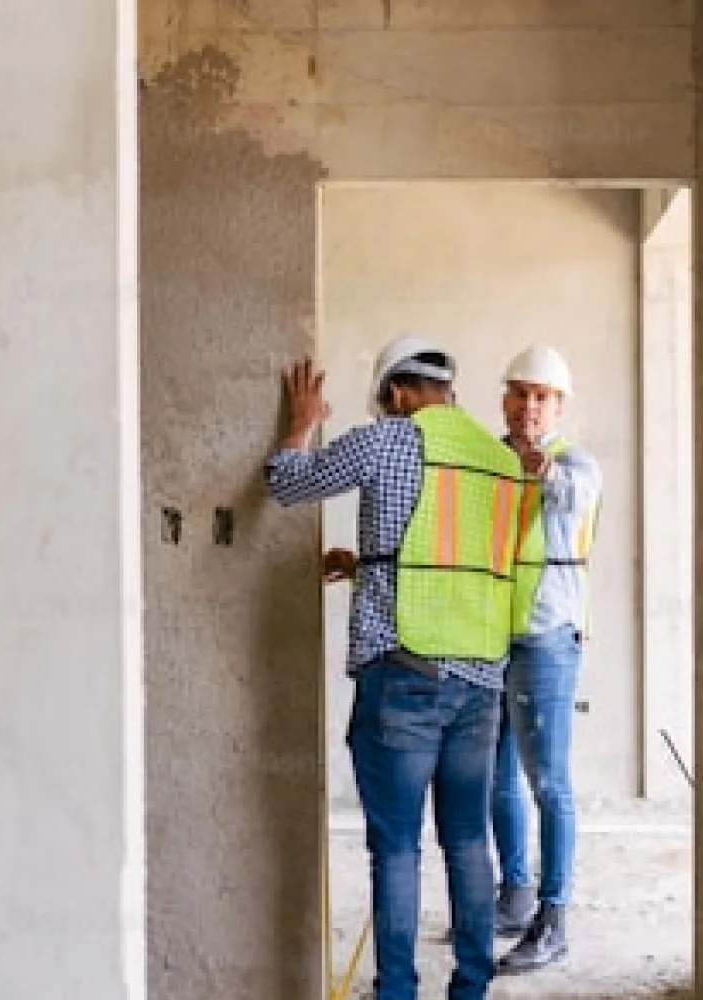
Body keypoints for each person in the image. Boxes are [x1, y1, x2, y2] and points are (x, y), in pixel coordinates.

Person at [267, 337, 533, 1000]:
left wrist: (300, 424)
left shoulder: (386, 440)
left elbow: (287, 483)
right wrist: (365, 568)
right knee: (469, 843)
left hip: (405, 675)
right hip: (479, 680)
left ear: (396, 393)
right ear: (447, 390)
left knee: (397, 849)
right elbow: (462, 565)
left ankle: (397, 994)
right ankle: (471, 987)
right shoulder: (499, 461)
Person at [490, 344, 602, 974]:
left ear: (559, 406)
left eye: (543, 397)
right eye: (521, 393)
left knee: (549, 783)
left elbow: (565, 500)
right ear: (505, 398)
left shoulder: (576, 466)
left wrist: (535, 463)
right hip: (492, 638)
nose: (530, 407)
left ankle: (553, 918)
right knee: (495, 777)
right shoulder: (495, 464)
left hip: (547, 640)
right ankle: (515, 894)